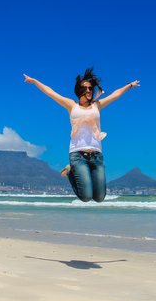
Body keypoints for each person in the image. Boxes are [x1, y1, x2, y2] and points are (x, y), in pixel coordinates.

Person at [24, 68, 140, 202]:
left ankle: (72, 170)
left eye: (91, 88)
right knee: (85, 197)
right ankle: (70, 171)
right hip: (78, 155)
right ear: (79, 90)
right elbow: (51, 93)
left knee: (99, 197)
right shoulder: (72, 106)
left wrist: (129, 85)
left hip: (97, 155)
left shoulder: (97, 105)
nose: (89, 90)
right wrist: (34, 81)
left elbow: (115, 95)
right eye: (86, 88)